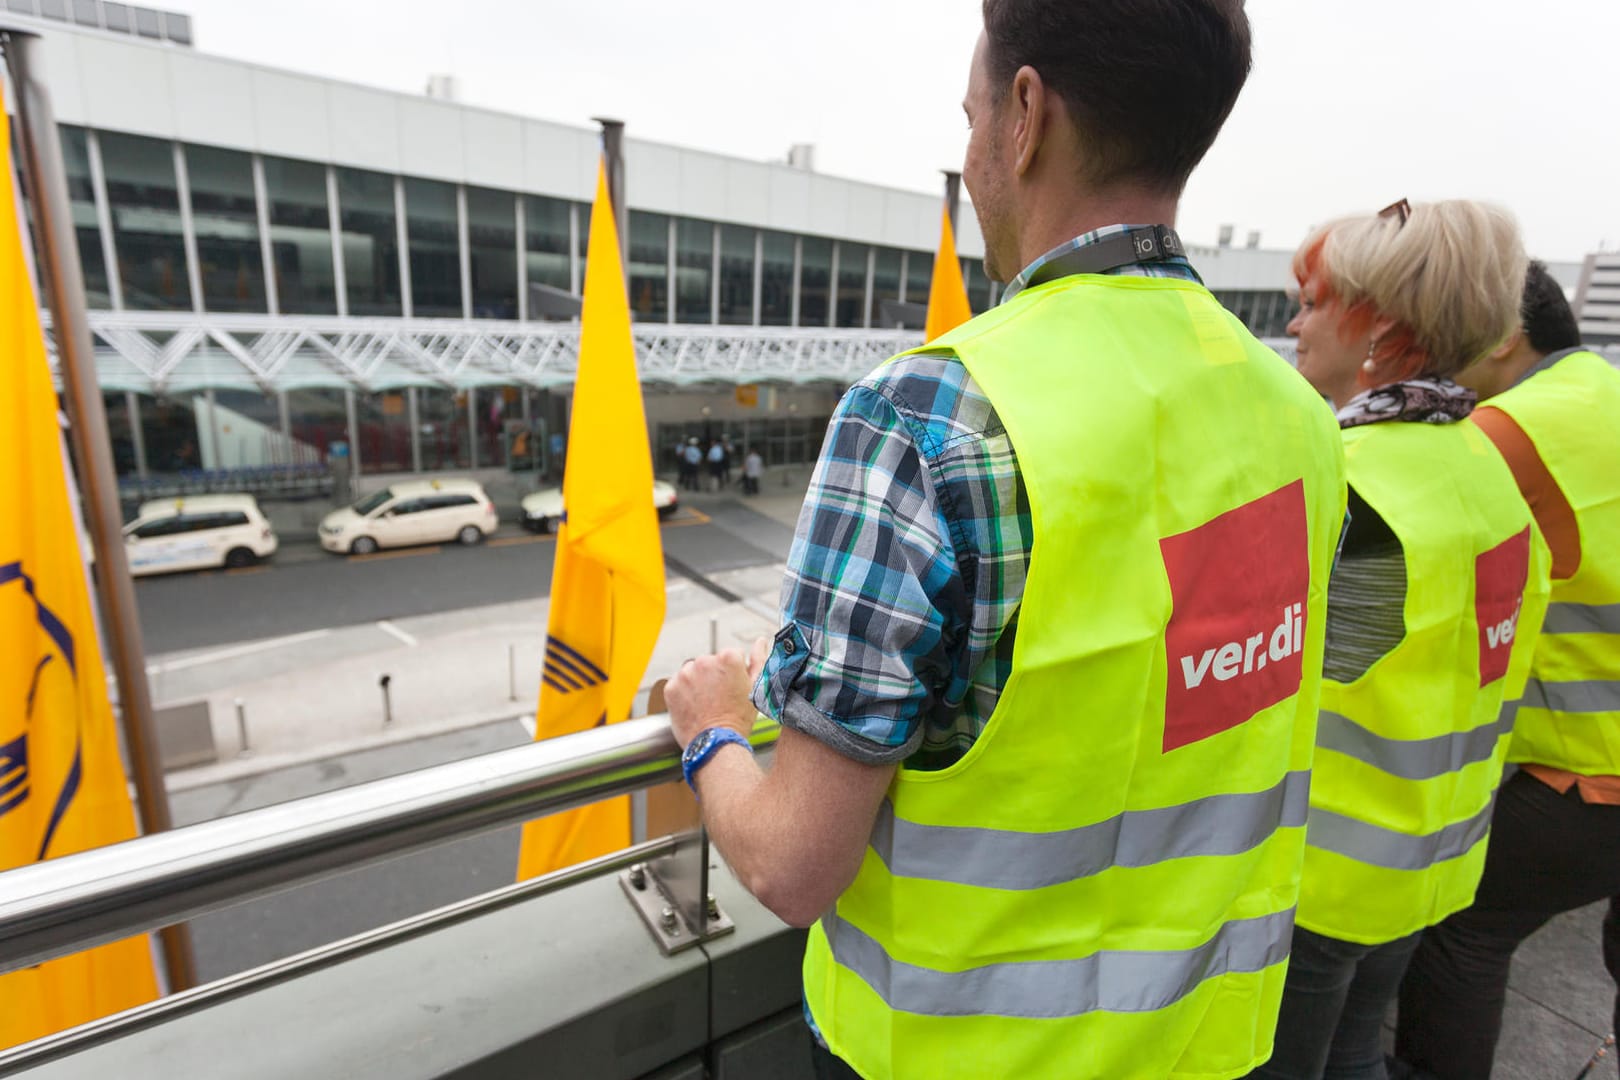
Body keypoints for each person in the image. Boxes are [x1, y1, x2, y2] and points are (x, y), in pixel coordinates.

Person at [664, 3, 1347, 1077]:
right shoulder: (1299, 416)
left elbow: (794, 865)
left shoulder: (929, 415)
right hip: (1202, 1043)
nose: (972, 151)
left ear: (1026, 117)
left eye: (973, 114)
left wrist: (710, 728)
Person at [1251, 202, 1551, 1080]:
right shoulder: (1485, 465)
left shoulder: (1353, 486)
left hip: (1321, 880)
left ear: (1378, 322)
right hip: (1433, 857)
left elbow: (1282, 684)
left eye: (1313, 301)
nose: (1294, 324)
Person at [1394, 264, 1620, 1080]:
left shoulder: (1508, 429)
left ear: (1502, 333)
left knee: (1467, 930)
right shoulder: (1600, 386)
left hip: (1582, 773)